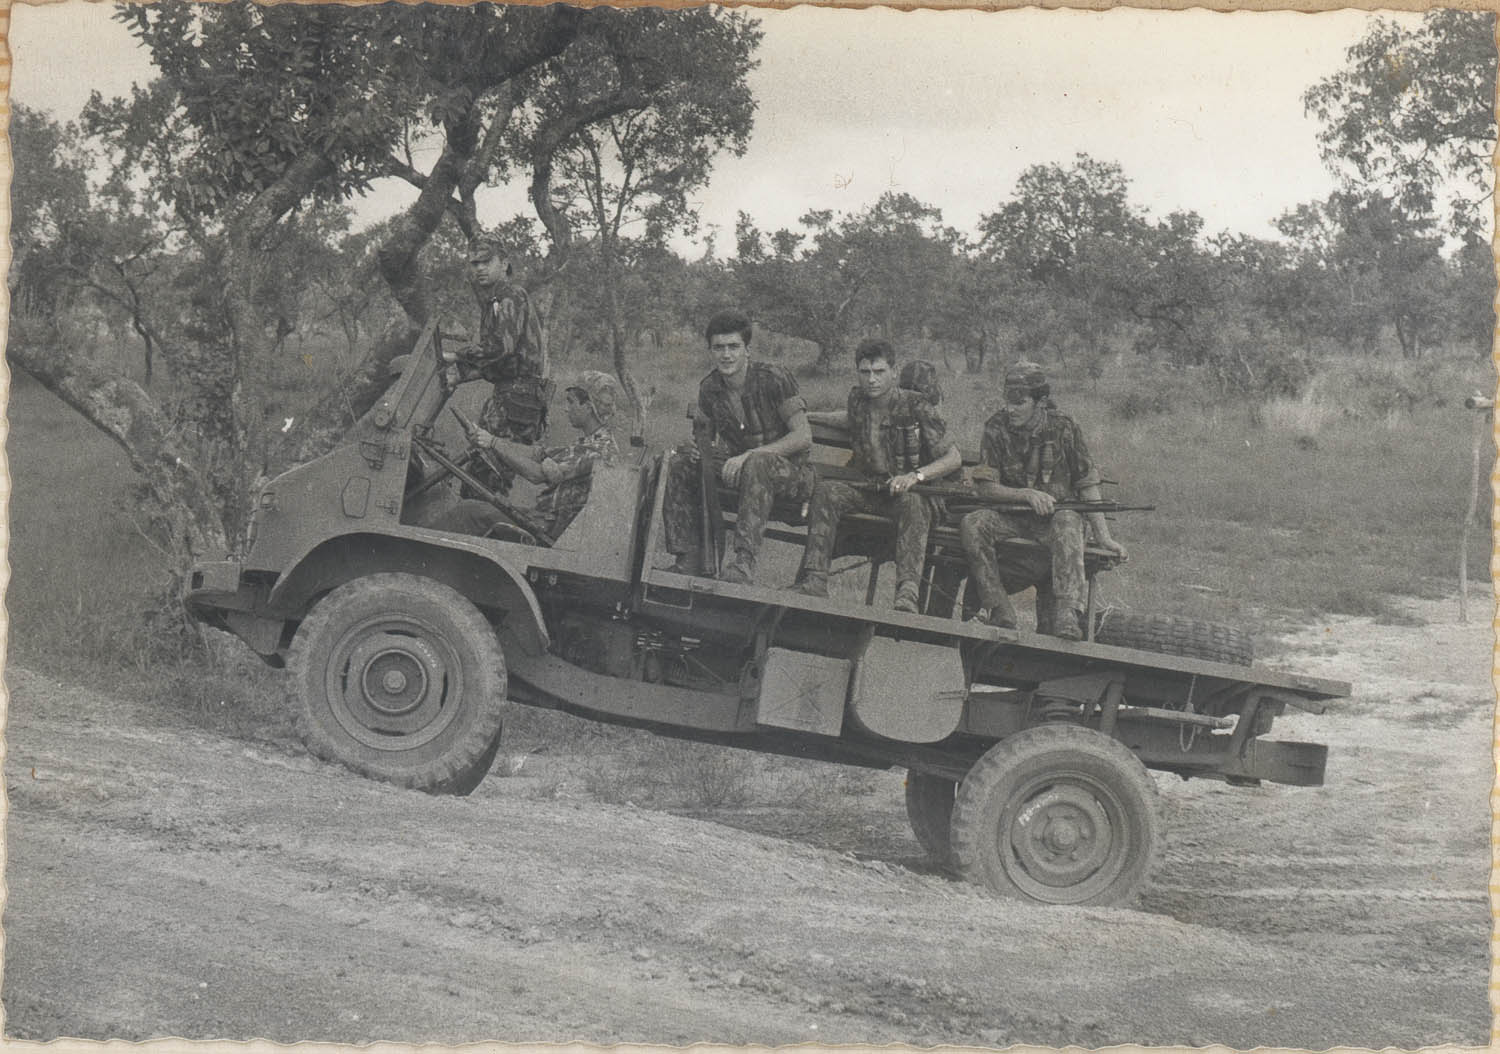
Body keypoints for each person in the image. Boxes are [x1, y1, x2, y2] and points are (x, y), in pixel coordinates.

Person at [959, 360, 1128, 638]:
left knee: (1068, 520)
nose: (1010, 409)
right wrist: (1025, 495)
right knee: (972, 523)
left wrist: (1104, 537)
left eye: (1020, 402)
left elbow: (1087, 483)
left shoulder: (1064, 428)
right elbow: (986, 487)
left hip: (1056, 522)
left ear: (1041, 401)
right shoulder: (996, 427)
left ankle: (1067, 611)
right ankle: (998, 607)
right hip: (1011, 518)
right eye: (1007, 401)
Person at [794, 339, 962, 613]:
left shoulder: (916, 405)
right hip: (868, 490)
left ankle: (907, 592)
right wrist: (808, 416)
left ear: (893, 372)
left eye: (879, 372)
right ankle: (814, 579)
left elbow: (952, 457)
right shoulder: (858, 400)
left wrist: (915, 476)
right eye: (865, 372)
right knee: (827, 491)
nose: (871, 380)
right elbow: (849, 419)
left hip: (909, 495)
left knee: (913, 503)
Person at [661, 310, 814, 585]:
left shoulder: (773, 378)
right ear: (710, 351)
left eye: (733, 347)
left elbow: (803, 436)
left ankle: (743, 563)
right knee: (681, 462)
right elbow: (707, 438)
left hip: (792, 475)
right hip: (741, 470)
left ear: (747, 349)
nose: (726, 355)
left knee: (758, 462)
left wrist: (749, 455)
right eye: (718, 348)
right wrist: (698, 450)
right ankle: (688, 558)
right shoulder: (710, 388)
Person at [429, 370, 621, 542]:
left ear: (588, 406)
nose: (565, 408)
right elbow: (537, 453)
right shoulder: (591, 442)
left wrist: (493, 443)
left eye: (571, 402)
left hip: (546, 527)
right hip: (546, 521)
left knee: (468, 511)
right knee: (476, 508)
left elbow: (536, 474)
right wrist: (489, 439)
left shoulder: (597, 449)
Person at [442, 233, 549, 494]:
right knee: (480, 476)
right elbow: (502, 361)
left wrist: (456, 356)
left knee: (487, 479)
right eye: (474, 263)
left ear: (504, 263)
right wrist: (459, 375)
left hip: (518, 398)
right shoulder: (493, 301)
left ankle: (485, 530)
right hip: (509, 395)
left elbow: (502, 348)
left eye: (486, 262)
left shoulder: (510, 296)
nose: (479, 268)